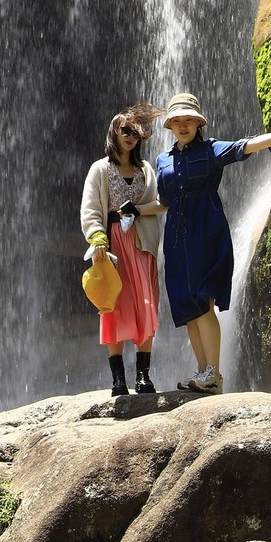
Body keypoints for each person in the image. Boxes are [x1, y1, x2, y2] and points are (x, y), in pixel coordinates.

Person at [157, 91, 271, 396]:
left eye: (189, 120)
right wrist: (129, 212)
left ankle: (214, 374)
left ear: (198, 123)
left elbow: (249, 144)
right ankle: (203, 372)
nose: (183, 125)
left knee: (203, 300)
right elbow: (163, 202)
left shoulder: (210, 151)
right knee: (187, 307)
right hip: (176, 238)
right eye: (177, 120)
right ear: (169, 125)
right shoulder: (162, 160)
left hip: (206, 232)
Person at [81, 104, 165, 398]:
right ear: (114, 134)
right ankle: (118, 379)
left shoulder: (146, 170)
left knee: (145, 306)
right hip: (114, 246)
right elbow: (90, 209)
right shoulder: (100, 169)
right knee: (113, 306)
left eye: (135, 131)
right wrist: (98, 240)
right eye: (124, 130)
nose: (130, 136)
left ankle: (143, 377)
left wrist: (138, 210)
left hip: (142, 245)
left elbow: (161, 204)